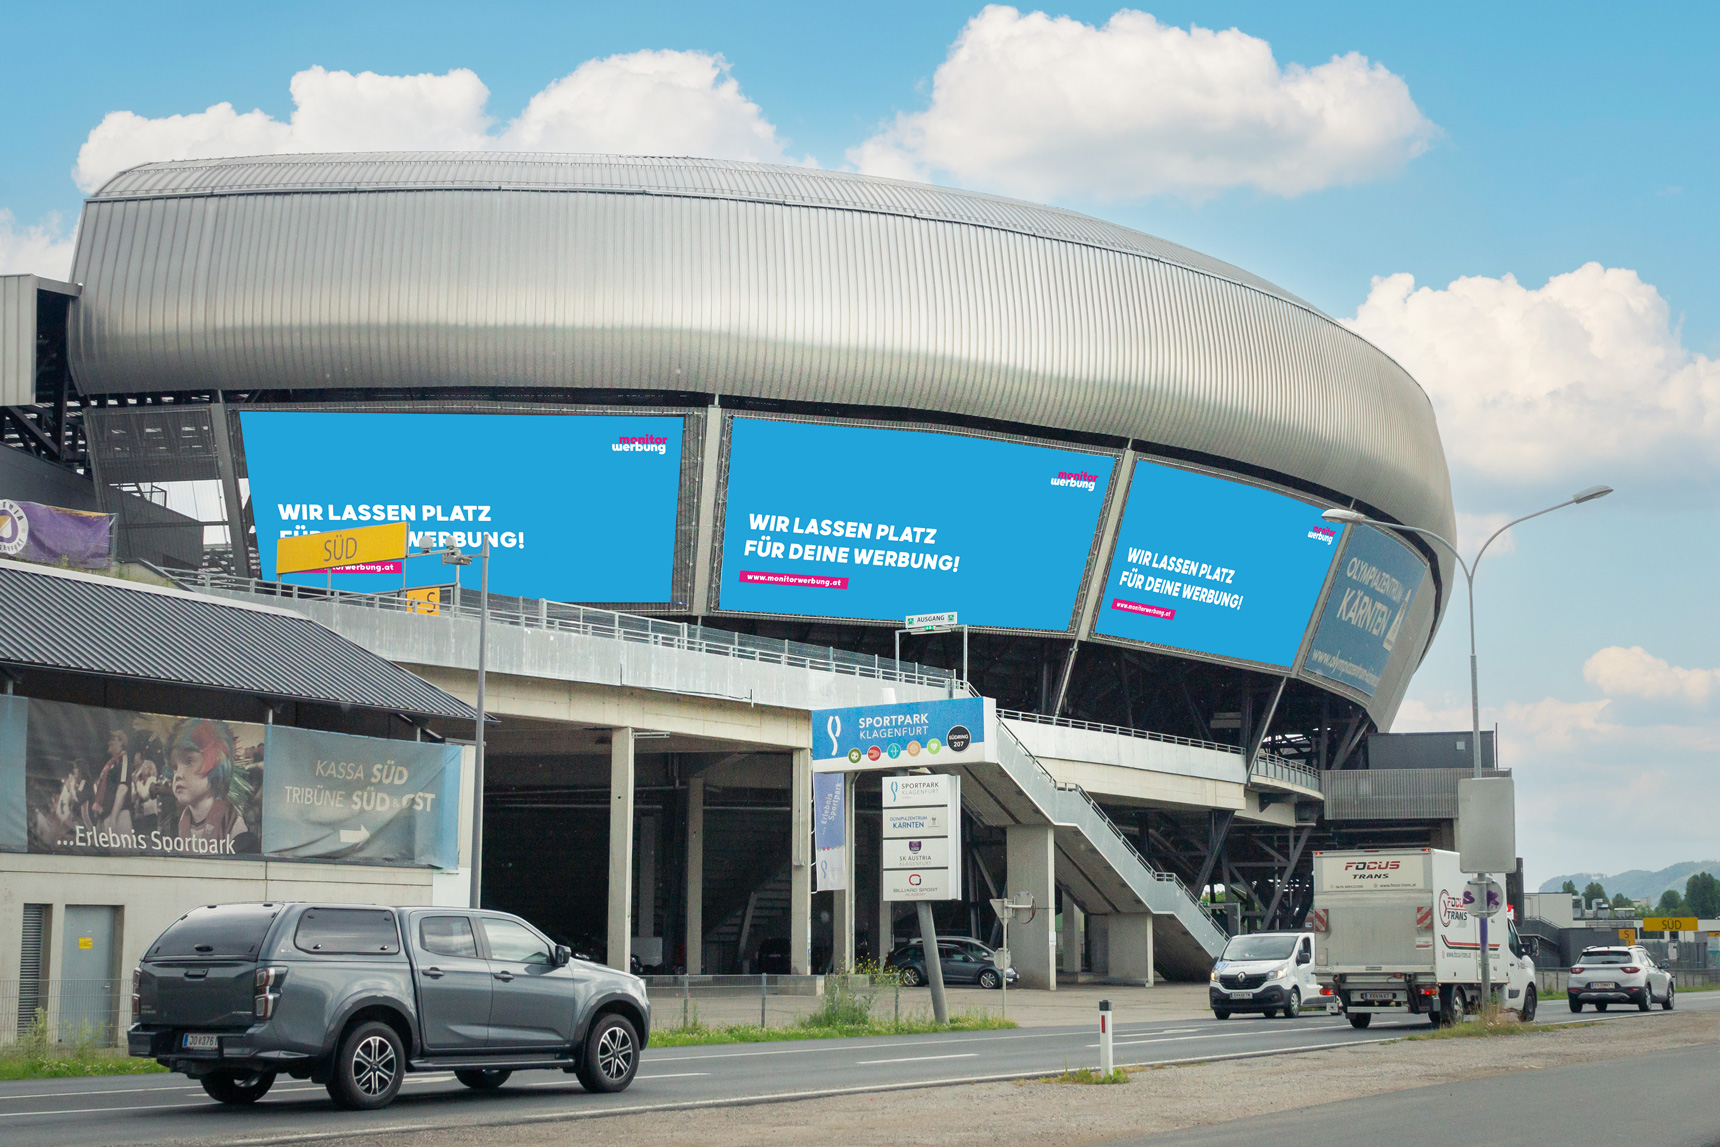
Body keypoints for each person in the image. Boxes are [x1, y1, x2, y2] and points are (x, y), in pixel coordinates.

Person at [168, 718, 249, 849]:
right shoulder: (175, 826)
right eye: (174, 767)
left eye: (189, 761)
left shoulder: (233, 825)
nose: (178, 775)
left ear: (215, 763)